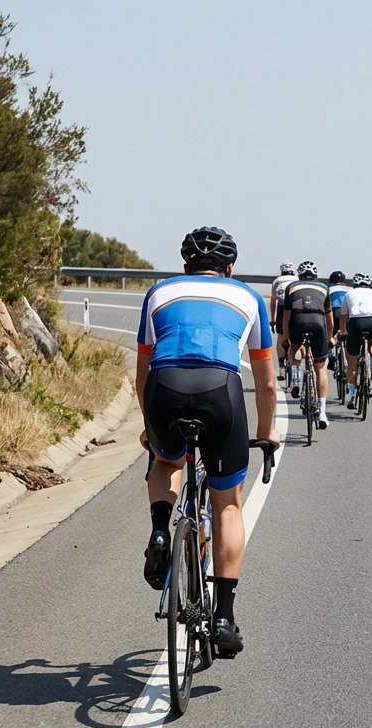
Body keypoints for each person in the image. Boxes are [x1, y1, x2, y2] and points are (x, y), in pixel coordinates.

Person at [137, 227, 281, 656]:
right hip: (220, 391)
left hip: (164, 387)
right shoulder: (248, 297)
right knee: (227, 504)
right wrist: (267, 432)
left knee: (166, 462)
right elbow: (267, 383)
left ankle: (160, 531)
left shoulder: (158, 292)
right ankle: (224, 619)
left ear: (186, 267)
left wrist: (149, 424)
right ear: (229, 268)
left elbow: (143, 371)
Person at [280, 261, 334, 427]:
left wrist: (286, 336)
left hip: (298, 322)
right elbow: (329, 319)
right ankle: (322, 412)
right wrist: (330, 337)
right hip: (318, 324)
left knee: (294, 348)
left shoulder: (291, 287)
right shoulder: (324, 288)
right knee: (320, 367)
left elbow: (287, 316)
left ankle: (296, 382)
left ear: (300, 275)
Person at [340, 272, 372, 409]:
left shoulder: (349, 294)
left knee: (352, 361)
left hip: (355, 323)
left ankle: (352, 395)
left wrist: (342, 332)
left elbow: (343, 315)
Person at [270, 262, 298, 380]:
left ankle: (281, 369)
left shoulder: (277, 281)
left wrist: (272, 319)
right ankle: (295, 367)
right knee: (295, 337)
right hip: (296, 308)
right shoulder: (297, 279)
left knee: (281, 336)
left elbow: (273, 300)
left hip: (282, 307)